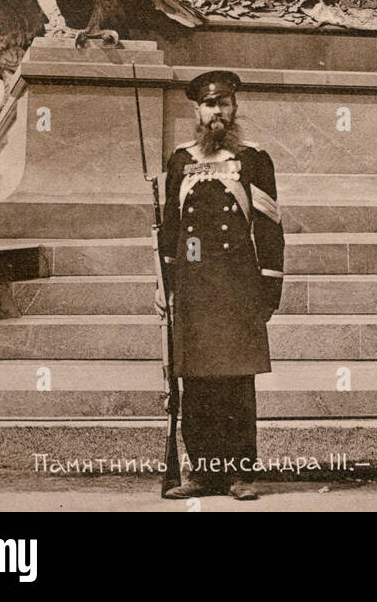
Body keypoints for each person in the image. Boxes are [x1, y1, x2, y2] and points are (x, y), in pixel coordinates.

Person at [159, 69, 284, 500]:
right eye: (210, 105)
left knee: (235, 381)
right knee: (195, 381)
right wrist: (167, 283)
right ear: (197, 110)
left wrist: (269, 284)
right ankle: (201, 472)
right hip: (194, 284)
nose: (218, 112)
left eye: (224, 104)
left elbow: (269, 227)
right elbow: (173, 228)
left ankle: (241, 474)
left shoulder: (254, 159)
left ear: (234, 109)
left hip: (237, 284)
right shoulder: (180, 159)